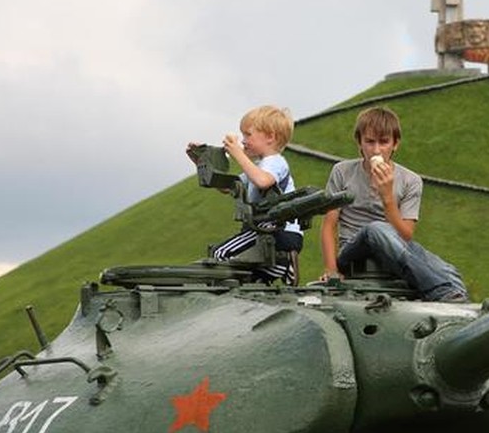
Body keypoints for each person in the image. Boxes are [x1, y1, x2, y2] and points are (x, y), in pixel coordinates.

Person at [320, 106, 468, 302]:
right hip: (353, 248)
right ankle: (439, 292)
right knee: (375, 229)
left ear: (395, 143)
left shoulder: (411, 180)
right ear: (359, 142)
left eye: (384, 142)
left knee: (449, 272)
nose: (376, 150)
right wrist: (331, 269)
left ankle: (456, 297)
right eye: (369, 142)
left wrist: (387, 197)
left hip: (395, 244)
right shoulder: (342, 171)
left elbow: (406, 234)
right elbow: (329, 225)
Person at [188, 105, 302, 284]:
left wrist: (238, 155)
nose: (243, 140)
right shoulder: (259, 166)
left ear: (270, 136)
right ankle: (281, 267)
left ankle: (283, 264)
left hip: (276, 232)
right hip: (266, 230)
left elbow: (263, 181)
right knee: (250, 274)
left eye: (248, 134)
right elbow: (228, 187)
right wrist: (202, 162)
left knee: (220, 254)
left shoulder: (275, 162)